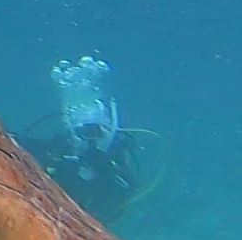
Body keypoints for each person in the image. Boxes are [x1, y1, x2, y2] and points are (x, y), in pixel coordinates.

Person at [16, 54, 159, 225]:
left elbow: (124, 195)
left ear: (109, 128)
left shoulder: (116, 158)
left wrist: (104, 169)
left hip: (91, 220)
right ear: (71, 127)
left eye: (97, 131)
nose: (90, 138)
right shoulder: (62, 147)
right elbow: (28, 148)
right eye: (83, 131)